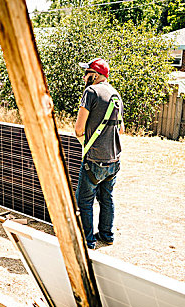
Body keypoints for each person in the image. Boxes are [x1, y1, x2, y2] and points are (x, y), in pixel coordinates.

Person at [74, 58, 124, 249]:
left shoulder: (90, 92)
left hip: (94, 160)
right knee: (107, 198)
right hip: (114, 160)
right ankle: (107, 235)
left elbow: (79, 129)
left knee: (84, 201)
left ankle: (88, 240)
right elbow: (121, 130)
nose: (85, 76)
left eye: (87, 73)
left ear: (95, 75)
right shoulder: (115, 95)